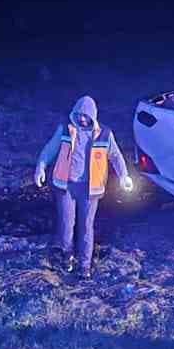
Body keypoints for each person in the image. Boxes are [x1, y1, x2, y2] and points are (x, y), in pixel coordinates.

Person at [33, 95, 133, 277]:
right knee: (66, 225)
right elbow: (49, 150)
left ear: (93, 116)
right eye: (79, 114)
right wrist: (41, 167)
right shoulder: (65, 129)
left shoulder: (104, 134)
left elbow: (116, 157)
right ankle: (66, 259)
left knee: (86, 227)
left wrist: (124, 176)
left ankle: (85, 266)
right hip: (66, 187)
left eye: (86, 116)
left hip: (90, 189)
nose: (82, 118)